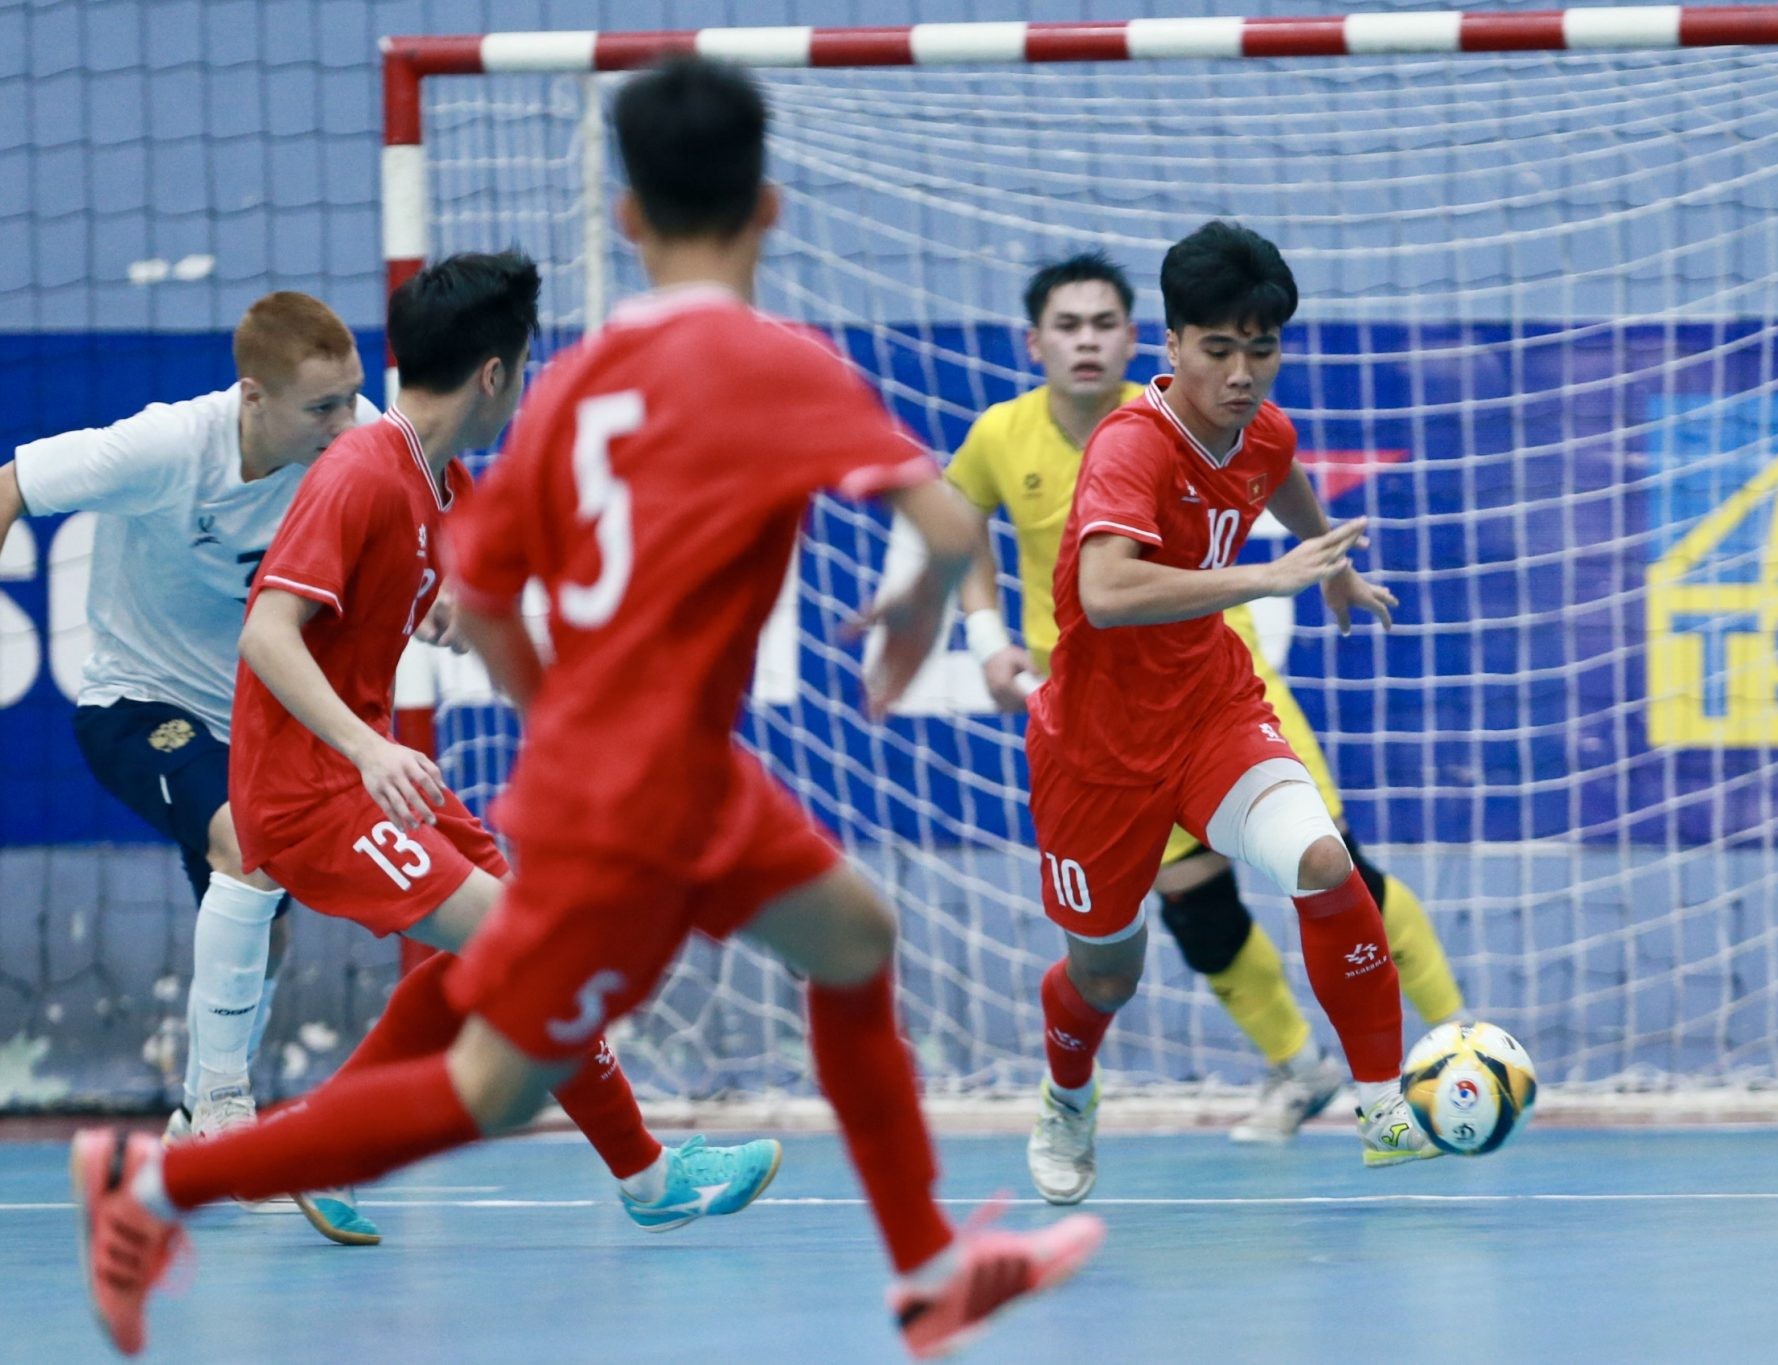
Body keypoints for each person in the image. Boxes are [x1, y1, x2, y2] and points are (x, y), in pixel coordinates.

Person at [71, 59, 1100, 1361]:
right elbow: (949, 521)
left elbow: (488, 597)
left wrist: (562, 714)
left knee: (853, 937)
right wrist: (913, 618)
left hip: (666, 773)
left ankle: (928, 1270)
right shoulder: (776, 363)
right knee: (492, 1083)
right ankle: (165, 1184)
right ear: (769, 211)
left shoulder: (575, 389)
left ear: (628, 222)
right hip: (634, 793)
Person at [948, 252, 1466, 1143]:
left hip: (1215, 702)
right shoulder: (1124, 442)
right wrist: (1272, 573)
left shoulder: (1259, 425)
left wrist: (1332, 566)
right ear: (1175, 343)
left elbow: (1282, 464)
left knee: (1328, 862)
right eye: (1218, 349)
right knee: (1111, 970)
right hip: (1099, 744)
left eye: (1260, 351)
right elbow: (1107, 594)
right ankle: (1070, 1095)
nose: (1240, 373)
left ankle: (1387, 1101)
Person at [1, 293, 375, 1161]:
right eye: (322, 406)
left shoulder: (355, 452)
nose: (345, 422)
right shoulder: (168, 445)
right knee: (247, 848)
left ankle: (191, 1121)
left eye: (353, 397)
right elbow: (12, 484)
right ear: (253, 397)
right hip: (137, 705)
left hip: (251, 727)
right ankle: (222, 1115)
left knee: (265, 918)